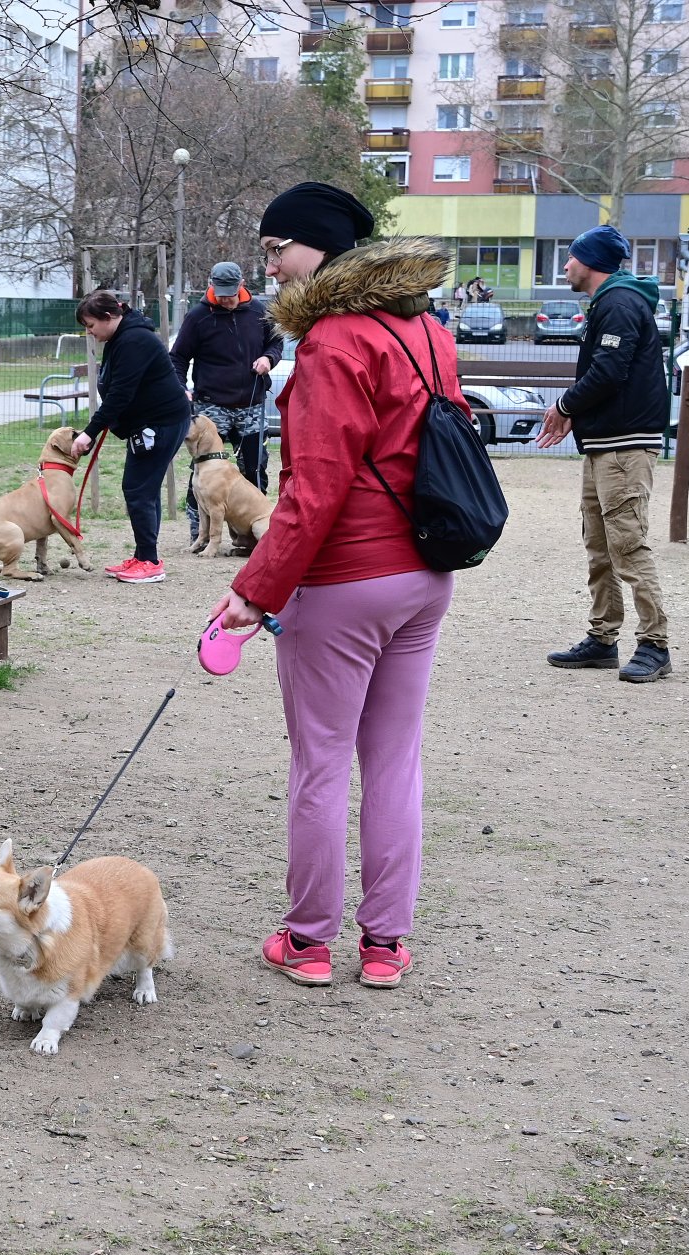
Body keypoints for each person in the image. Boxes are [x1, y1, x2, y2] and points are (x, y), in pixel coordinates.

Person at [208, 181, 457, 991]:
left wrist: (254, 590)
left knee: (320, 765)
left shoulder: (331, 342)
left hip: (346, 579)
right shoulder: (428, 330)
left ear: (317, 247)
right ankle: (385, 946)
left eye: (276, 250)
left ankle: (308, 942)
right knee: (394, 763)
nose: (270, 267)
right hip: (424, 574)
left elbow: (313, 488)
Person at [537, 225, 672, 683]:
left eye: (571, 257)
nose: (565, 266)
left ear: (590, 261)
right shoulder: (609, 302)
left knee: (628, 545)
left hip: (625, 446)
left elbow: (609, 372)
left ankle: (655, 644)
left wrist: (564, 406)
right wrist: (576, 411)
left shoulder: (619, 303)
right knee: (600, 545)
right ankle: (602, 638)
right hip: (605, 444)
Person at [70, 290, 191, 583]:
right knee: (144, 489)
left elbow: (120, 395)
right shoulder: (123, 336)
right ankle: (144, 556)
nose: (89, 332)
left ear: (108, 317)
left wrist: (89, 433)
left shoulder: (134, 340)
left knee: (138, 490)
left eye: (90, 325)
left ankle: (149, 562)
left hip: (160, 423)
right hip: (154, 421)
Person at [171, 260, 283, 542]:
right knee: (203, 470)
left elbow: (276, 343)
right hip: (212, 406)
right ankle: (199, 533)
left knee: (254, 468)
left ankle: (250, 533)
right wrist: (180, 388)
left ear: (241, 285)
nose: (226, 299)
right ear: (211, 286)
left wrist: (268, 358)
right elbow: (178, 358)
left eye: (230, 294)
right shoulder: (198, 316)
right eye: (220, 294)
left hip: (252, 403)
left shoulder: (260, 311)